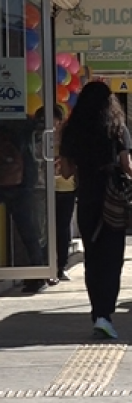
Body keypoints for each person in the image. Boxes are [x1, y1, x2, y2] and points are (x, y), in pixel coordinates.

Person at [59, 82, 132, 339]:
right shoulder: (117, 128)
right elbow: (128, 167)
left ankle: (98, 313)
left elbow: (67, 172)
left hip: (88, 198)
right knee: (112, 258)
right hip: (113, 198)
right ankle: (106, 313)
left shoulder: (72, 130)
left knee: (93, 258)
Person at [0, 116, 47, 293]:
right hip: (22, 181)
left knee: (28, 230)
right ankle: (37, 274)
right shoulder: (24, 123)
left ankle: (36, 273)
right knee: (28, 230)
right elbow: (37, 135)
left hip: (15, 179)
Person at [42, 106, 75, 286]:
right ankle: (45, 266)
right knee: (45, 230)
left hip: (65, 188)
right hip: (42, 189)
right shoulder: (40, 136)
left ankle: (61, 266)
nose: (52, 126)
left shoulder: (66, 138)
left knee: (62, 228)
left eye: (54, 121)